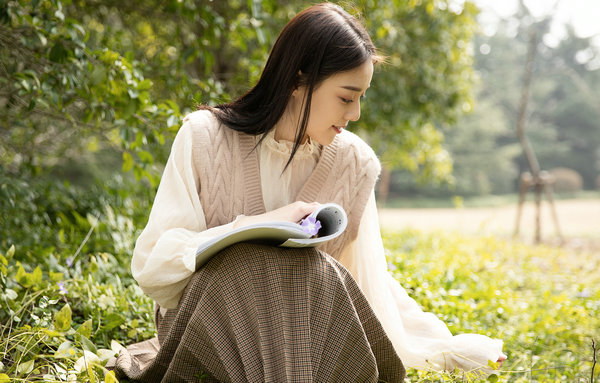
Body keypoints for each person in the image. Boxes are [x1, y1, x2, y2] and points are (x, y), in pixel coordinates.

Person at [110, 2, 505, 382]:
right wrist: (254, 225)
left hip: (306, 334)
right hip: (214, 328)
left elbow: (369, 282)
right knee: (251, 266)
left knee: (312, 272)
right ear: (299, 78)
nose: (355, 115)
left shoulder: (355, 163)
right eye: (347, 97)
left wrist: (448, 348)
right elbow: (154, 271)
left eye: (360, 98)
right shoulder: (204, 137)